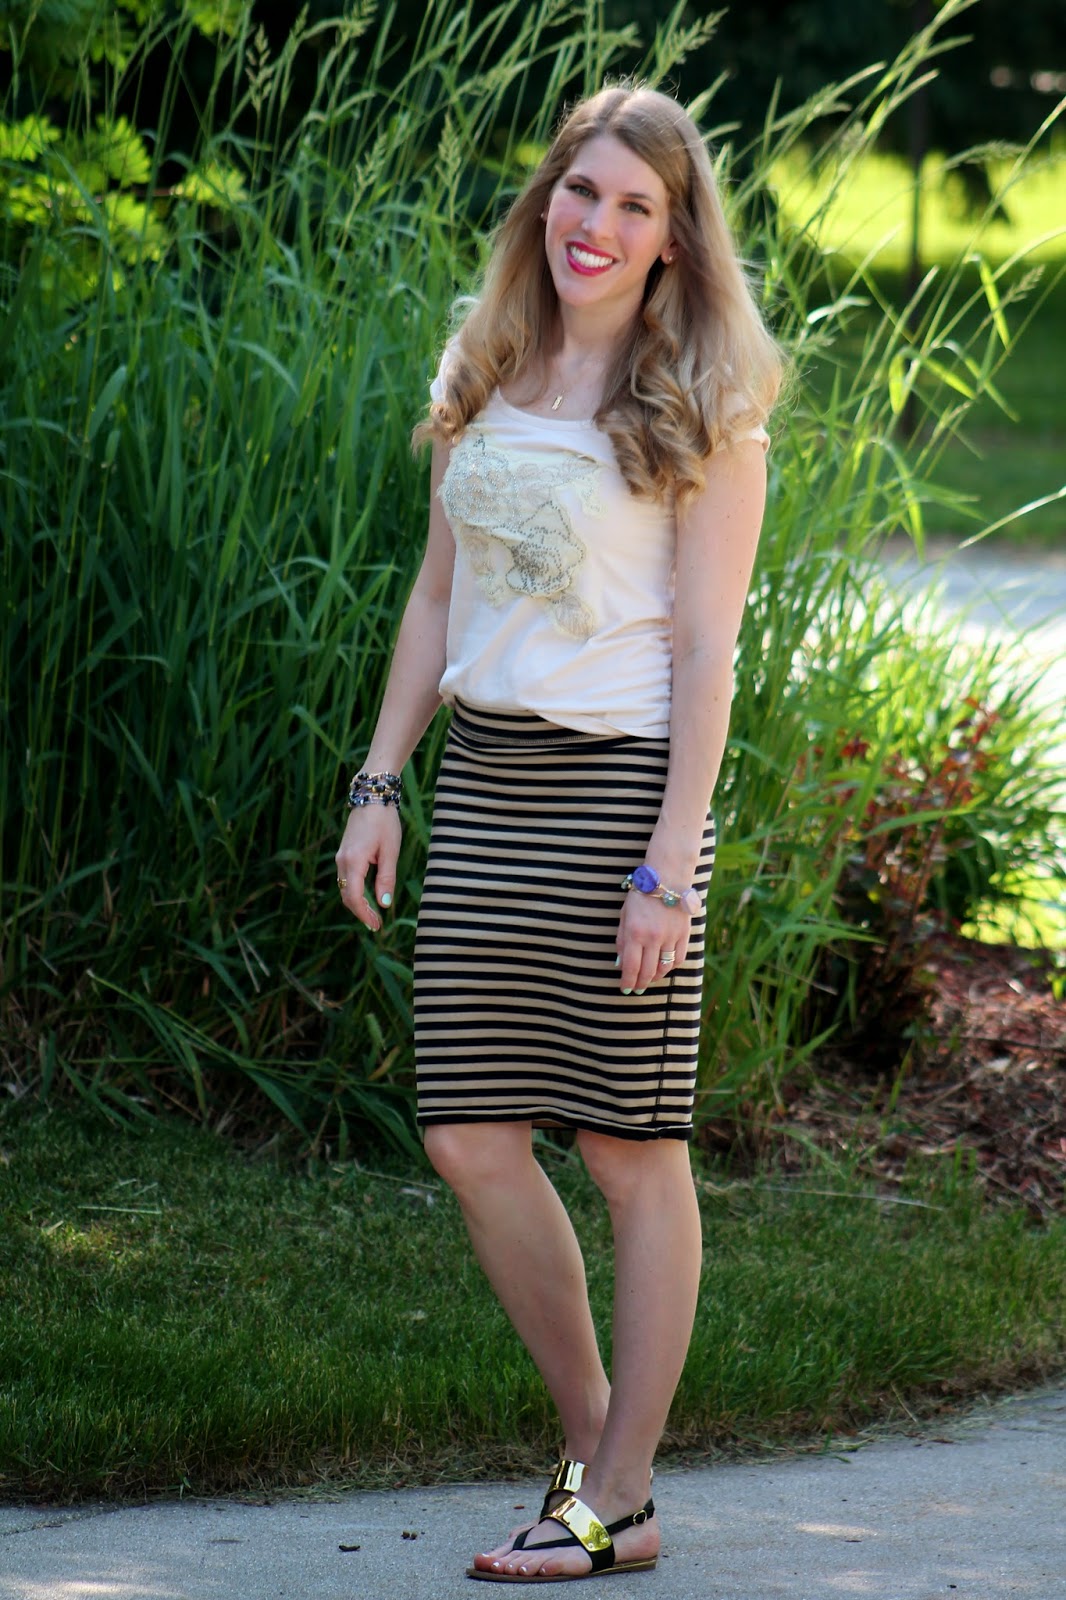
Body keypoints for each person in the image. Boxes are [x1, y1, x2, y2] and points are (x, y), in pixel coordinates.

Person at [336, 82, 782, 1583]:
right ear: (548, 199)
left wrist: (668, 866)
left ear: (672, 241)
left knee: (627, 1148)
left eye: (633, 207)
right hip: (486, 789)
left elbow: (707, 660)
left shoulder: (704, 412)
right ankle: (606, 1455)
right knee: (468, 1134)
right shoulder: (490, 357)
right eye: (580, 192)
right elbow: (433, 593)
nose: (596, 225)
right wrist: (382, 777)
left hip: (619, 802)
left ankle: (617, 1486)